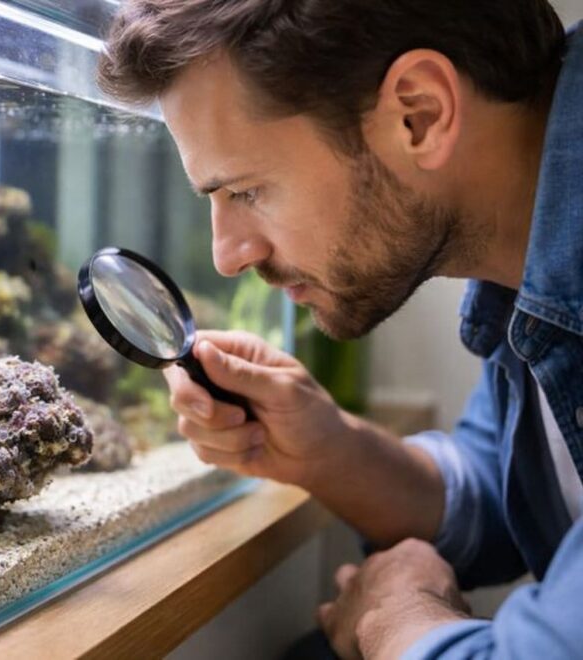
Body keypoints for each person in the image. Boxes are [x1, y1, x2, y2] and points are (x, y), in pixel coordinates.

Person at [96, 1, 583, 658]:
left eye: (245, 191)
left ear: (420, 114)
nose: (228, 254)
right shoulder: (518, 248)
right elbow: (508, 492)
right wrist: (327, 450)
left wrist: (396, 615)